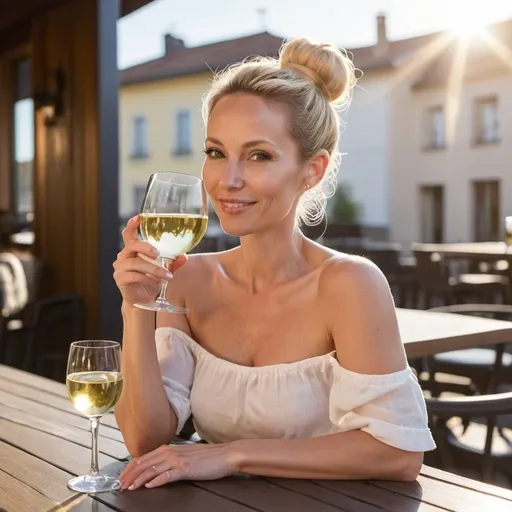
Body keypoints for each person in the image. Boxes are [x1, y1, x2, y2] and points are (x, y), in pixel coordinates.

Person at [114, 37, 435, 491]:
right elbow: (144, 439)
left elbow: (398, 453)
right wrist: (135, 309)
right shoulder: (187, 280)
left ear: (313, 170)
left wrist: (232, 454)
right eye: (215, 152)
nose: (228, 180)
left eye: (259, 156)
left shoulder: (349, 284)